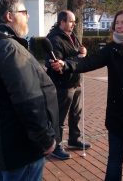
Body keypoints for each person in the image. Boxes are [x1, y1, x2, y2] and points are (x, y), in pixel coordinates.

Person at [51, 8, 123, 181]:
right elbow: (89, 62)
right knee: (114, 160)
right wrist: (66, 65)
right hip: (118, 113)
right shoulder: (112, 49)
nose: (118, 26)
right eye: (116, 23)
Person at [0, 0, 59, 181]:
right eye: (24, 12)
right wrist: (46, 140)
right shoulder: (9, 49)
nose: (28, 17)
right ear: (9, 16)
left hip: (1, 144)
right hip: (21, 148)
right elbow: (29, 102)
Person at [44, 10, 91, 160]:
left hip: (75, 81)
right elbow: (55, 63)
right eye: (71, 21)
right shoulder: (54, 39)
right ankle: (55, 145)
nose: (74, 24)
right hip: (62, 84)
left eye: (74, 21)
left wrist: (82, 51)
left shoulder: (72, 35)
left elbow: (76, 53)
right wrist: (78, 56)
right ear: (62, 22)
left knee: (76, 113)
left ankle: (74, 139)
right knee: (59, 117)